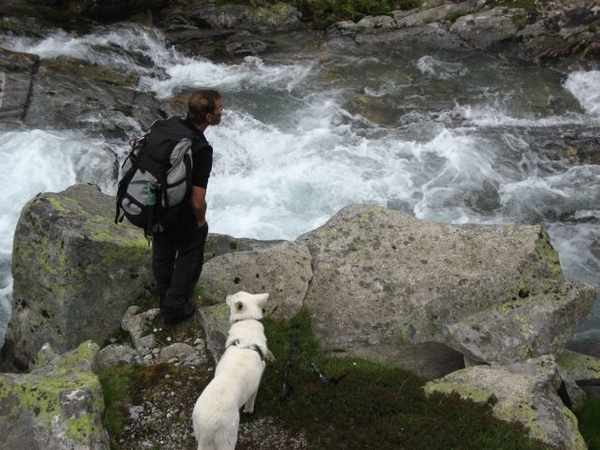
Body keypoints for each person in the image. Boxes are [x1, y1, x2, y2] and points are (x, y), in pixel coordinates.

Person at [151, 89, 223, 327]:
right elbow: (197, 200)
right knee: (192, 246)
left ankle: (165, 295)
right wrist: (200, 221)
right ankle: (176, 305)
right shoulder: (201, 148)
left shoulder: (169, 126)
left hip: (156, 202)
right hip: (179, 210)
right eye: (219, 109)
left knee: (162, 247)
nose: (222, 112)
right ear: (209, 117)